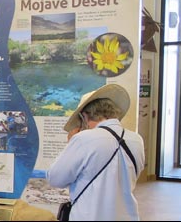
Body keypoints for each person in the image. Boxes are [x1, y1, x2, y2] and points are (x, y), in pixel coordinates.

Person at [47, 84, 145, 221]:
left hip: (89, 216)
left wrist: (69, 144)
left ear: (85, 116)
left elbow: (56, 178)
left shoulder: (83, 139)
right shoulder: (136, 140)